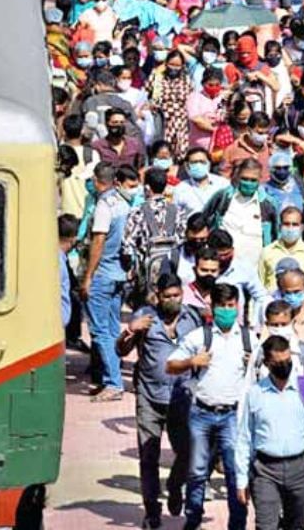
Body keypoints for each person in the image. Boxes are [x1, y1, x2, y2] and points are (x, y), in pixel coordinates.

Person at [166, 282, 255, 530]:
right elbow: (170, 365)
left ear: (237, 306)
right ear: (212, 307)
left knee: (235, 473)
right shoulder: (199, 337)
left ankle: (237, 523)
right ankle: (193, 518)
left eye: (231, 305)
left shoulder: (249, 340)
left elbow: (263, 375)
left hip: (233, 416)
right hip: (202, 414)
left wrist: (253, 366)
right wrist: (192, 361)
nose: (227, 310)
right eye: (222, 306)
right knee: (197, 472)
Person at [117, 274, 202, 527]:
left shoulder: (193, 318)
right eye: (168, 297)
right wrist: (131, 330)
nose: (173, 300)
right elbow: (121, 350)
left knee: (187, 452)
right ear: (158, 295)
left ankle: (175, 486)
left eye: (177, 295)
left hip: (182, 397)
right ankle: (152, 512)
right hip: (149, 397)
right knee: (149, 456)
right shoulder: (145, 317)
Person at [234, 334, 304, 530]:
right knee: (265, 525)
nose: (285, 366)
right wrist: (241, 480)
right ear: (268, 363)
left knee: (295, 525)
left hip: (300, 467)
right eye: (279, 362)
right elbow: (244, 437)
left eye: (288, 361)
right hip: (265, 470)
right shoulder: (255, 394)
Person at [82, 166, 141, 402]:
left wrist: (88, 276)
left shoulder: (106, 205)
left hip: (103, 274)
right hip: (120, 275)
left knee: (100, 331)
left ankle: (113, 382)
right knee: (112, 328)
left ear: (97, 181)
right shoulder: (128, 204)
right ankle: (112, 378)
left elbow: (98, 240)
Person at [201, 158, 279, 263]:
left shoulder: (268, 204)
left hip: (256, 267)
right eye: (245, 179)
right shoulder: (224, 197)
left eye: (253, 180)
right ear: (238, 177)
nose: (248, 183)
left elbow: (277, 234)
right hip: (223, 264)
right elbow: (204, 219)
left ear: (260, 179)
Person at [124, 167, 182, 305]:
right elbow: (182, 237)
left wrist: (132, 268)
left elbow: (127, 244)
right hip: (172, 265)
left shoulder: (138, 211)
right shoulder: (176, 210)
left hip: (146, 270)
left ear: (147, 188)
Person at [260, 207, 304, 299]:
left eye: (295, 224)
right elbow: (259, 287)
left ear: (302, 227)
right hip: (274, 308)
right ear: (280, 227)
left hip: (303, 309)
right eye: (286, 224)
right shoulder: (267, 252)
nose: (290, 228)